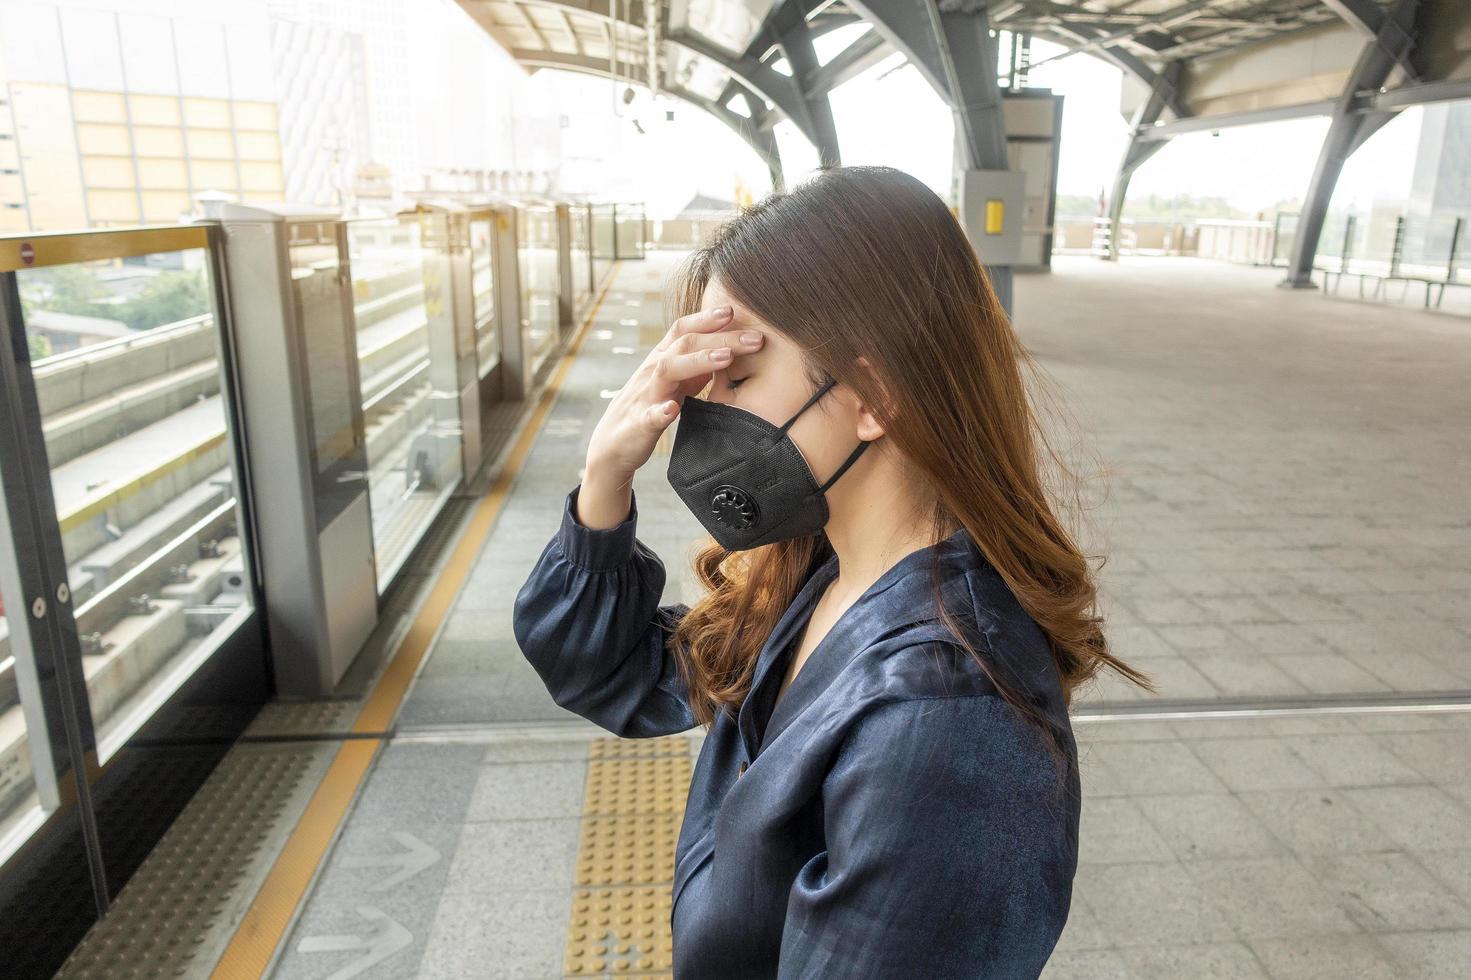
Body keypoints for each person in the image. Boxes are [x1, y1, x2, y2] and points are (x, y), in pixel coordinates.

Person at [512, 165, 1156, 978]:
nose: (700, 412)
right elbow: (614, 674)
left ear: (873, 394)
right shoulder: (823, 574)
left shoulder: (945, 717)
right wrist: (605, 476)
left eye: (736, 376)